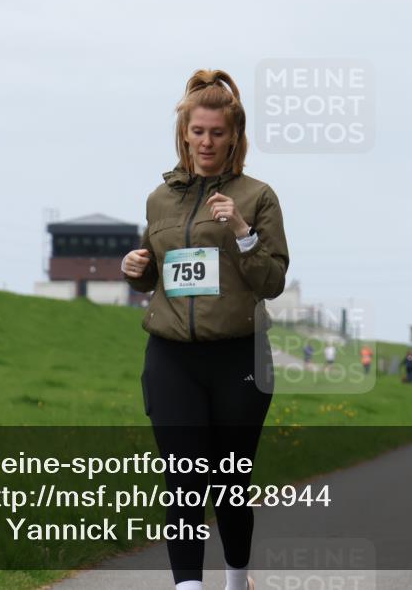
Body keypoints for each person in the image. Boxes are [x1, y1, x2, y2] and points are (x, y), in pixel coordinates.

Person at [122, 69, 289, 590]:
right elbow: (162, 275)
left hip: (239, 358)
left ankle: (238, 579)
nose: (206, 142)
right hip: (171, 357)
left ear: (234, 136)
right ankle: (188, 586)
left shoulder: (258, 197)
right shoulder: (159, 199)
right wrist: (138, 269)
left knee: (229, 485)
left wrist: (241, 232)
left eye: (217, 132)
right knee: (183, 481)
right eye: (198, 131)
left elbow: (273, 280)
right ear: (184, 133)